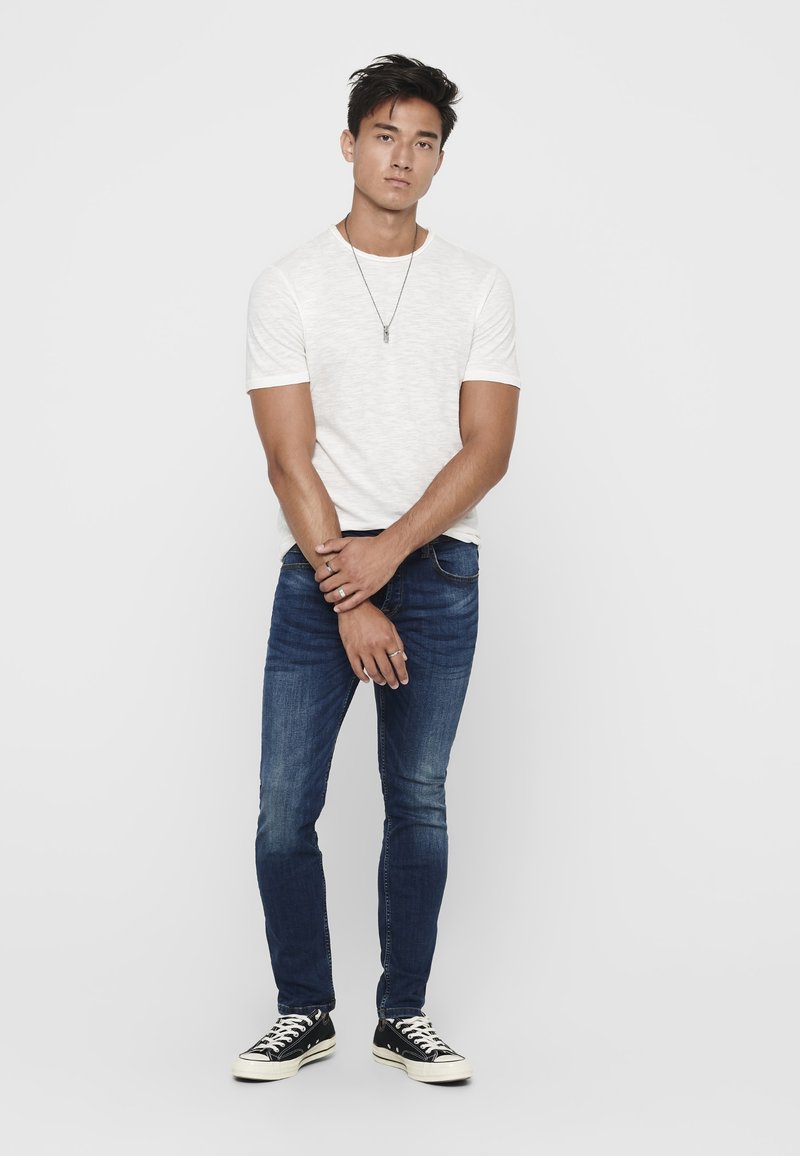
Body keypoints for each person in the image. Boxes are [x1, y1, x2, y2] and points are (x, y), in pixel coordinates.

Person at [233, 53, 521, 1085]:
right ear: (349, 144)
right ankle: (302, 1010)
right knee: (283, 806)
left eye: (424, 141)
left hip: (436, 571)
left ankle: (403, 1016)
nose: (403, 157)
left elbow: (487, 448)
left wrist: (386, 558)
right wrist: (346, 592)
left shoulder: (478, 285)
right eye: (386, 135)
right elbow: (288, 459)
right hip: (320, 566)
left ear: (440, 160)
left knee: (419, 799)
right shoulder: (289, 283)